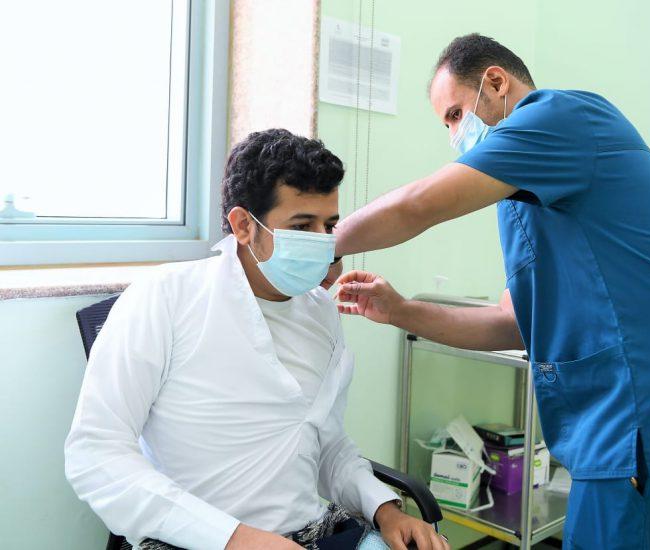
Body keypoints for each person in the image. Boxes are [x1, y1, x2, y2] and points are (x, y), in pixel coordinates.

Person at [331, 34, 650, 549]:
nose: (454, 136)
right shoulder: (525, 197)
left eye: (455, 115)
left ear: (495, 82)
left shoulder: (562, 118)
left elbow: (418, 205)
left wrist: (322, 244)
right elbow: (513, 324)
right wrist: (400, 310)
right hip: (636, 435)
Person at [65, 130, 448, 550]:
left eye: (329, 226)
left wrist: (385, 510)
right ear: (244, 225)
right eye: (302, 226)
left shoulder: (320, 311)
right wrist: (235, 539)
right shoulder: (165, 298)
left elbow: (327, 445)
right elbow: (95, 454)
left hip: (312, 532)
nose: (322, 243)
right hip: (197, 540)